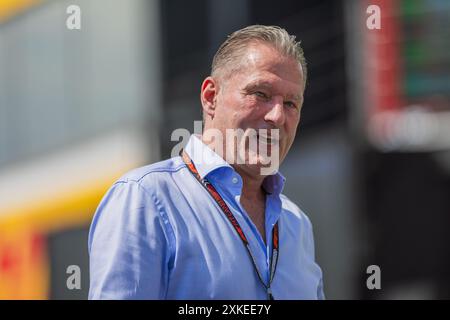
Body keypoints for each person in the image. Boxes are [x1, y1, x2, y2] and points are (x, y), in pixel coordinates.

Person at [88, 25, 324, 300]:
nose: (277, 116)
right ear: (211, 97)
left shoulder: (297, 224)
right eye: (260, 94)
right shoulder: (145, 199)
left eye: (290, 104)